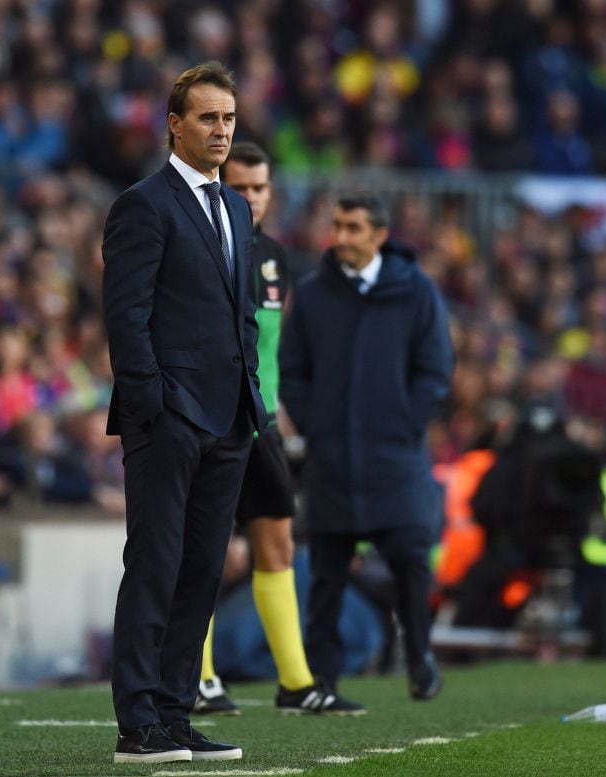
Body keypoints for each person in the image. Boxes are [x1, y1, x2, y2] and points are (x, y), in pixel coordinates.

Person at [101, 61, 266, 765]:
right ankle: (137, 720)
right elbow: (125, 314)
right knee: (156, 564)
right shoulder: (144, 203)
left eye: (228, 118)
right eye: (208, 117)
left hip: (228, 417)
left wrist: (249, 392)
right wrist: (153, 405)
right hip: (169, 417)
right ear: (175, 124)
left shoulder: (234, 207)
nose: (222, 130)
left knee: (201, 568)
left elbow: (241, 314)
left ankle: (174, 711)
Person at [193, 142, 363, 716]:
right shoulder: (200, 247)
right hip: (209, 418)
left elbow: (268, 349)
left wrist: (282, 412)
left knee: (278, 545)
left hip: (259, 419)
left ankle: (295, 682)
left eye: (259, 188)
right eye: (239, 187)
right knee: (205, 549)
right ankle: (199, 677)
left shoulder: (274, 258)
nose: (250, 197)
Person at [279, 193, 454, 705]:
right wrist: (317, 426)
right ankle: (323, 679)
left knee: (411, 565)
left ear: (379, 235)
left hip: (394, 460)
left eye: (354, 228)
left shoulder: (417, 292)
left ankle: (420, 659)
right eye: (337, 226)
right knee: (326, 576)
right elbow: (292, 371)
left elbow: (436, 370)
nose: (342, 237)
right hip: (333, 459)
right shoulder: (312, 295)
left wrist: (405, 424)